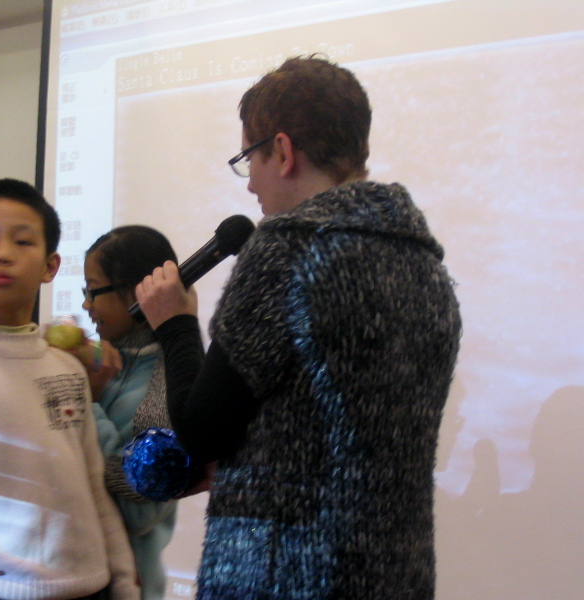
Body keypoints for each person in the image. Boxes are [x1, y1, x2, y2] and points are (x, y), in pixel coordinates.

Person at [135, 55, 462, 600]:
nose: (249, 186)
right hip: (395, 573)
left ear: (283, 151)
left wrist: (174, 324)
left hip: (285, 576)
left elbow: (202, 431)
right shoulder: (425, 263)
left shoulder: (288, 248)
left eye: (249, 159)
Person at [0, 178, 139, 600]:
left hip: (94, 586)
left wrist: (125, 584)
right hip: (6, 591)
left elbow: (94, 487)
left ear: (50, 266)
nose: (2, 253)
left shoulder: (66, 366)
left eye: (22, 241)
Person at [82, 226, 180, 600]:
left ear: (136, 291)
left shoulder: (167, 381)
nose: (86, 306)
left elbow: (139, 509)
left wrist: (88, 403)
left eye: (93, 291)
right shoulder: (102, 359)